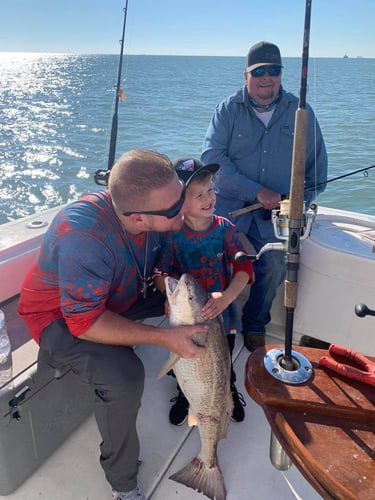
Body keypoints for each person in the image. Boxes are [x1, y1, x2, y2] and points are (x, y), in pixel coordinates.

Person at [17, 149, 209, 500]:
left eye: (181, 195)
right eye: (173, 209)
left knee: (201, 302)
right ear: (138, 218)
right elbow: (85, 323)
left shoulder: (154, 213)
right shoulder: (83, 237)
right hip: (62, 318)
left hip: (118, 295)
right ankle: (123, 484)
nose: (184, 208)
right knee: (125, 376)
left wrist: (163, 285)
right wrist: (165, 337)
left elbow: (158, 261)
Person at [201, 41, 328, 352]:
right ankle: (213, 324)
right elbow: (212, 161)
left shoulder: (302, 113)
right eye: (259, 72)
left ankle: (254, 324)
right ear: (245, 75)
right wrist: (256, 191)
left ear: (281, 75)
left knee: (274, 262)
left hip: (275, 218)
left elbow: (317, 175)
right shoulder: (228, 109)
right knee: (208, 259)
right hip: (228, 211)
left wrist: (292, 200)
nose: (266, 78)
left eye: (274, 71)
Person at [153, 158, 254, 425]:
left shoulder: (225, 229)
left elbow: (245, 270)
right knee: (183, 360)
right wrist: (169, 294)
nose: (209, 198)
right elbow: (160, 273)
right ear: (179, 203)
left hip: (223, 316)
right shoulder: (173, 234)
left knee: (223, 360)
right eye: (199, 195)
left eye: (210, 190)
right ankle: (185, 394)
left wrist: (228, 297)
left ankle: (228, 388)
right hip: (186, 317)